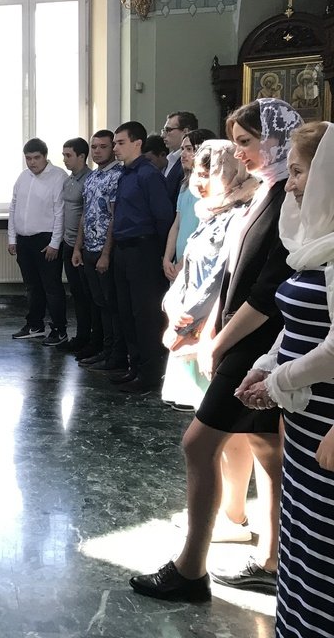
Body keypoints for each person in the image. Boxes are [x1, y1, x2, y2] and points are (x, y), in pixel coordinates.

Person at [130, 98, 302, 602]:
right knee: (267, 447)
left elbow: (266, 291)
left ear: (274, 140)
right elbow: (234, 272)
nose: (239, 151)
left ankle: (191, 570)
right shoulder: (269, 190)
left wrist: (218, 341)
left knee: (199, 444)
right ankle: (272, 559)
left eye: (246, 142)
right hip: (244, 338)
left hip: (256, 344)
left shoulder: (284, 198)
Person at [235, 121, 334, 638]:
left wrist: (277, 383)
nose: (290, 184)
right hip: (303, 414)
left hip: (326, 422)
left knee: (322, 548)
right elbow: (299, 321)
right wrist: (267, 363)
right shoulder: (312, 238)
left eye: (298, 172)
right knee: (298, 535)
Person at [160, 140, 258, 411]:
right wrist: (173, 307)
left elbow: (219, 278)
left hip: (208, 323)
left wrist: (186, 323)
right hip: (187, 318)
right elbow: (188, 267)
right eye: (197, 174)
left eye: (207, 175)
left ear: (229, 173)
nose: (199, 183)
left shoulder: (238, 216)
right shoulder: (209, 212)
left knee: (210, 411)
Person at [109, 121, 174, 393]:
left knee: (145, 314)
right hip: (123, 249)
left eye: (120, 142)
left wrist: (160, 255)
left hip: (144, 249)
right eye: (115, 143)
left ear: (138, 143)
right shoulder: (124, 174)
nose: (115, 147)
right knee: (126, 311)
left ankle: (150, 374)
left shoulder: (148, 175)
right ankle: (134, 367)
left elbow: (163, 217)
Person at [7, 137, 69, 346]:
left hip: (46, 240)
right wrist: (12, 238)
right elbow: (13, 208)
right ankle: (35, 325)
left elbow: (60, 213)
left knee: (52, 287)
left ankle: (59, 330)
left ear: (45, 156)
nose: (32, 162)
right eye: (28, 158)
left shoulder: (58, 177)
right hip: (24, 240)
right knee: (32, 286)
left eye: (36, 158)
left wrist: (55, 243)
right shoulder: (23, 177)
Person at [73, 130, 126, 371]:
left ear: (112, 148)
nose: (97, 151)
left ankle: (115, 354)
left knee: (111, 305)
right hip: (89, 248)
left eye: (103, 146)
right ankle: (103, 349)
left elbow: (114, 217)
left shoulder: (117, 176)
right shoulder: (92, 177)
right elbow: (85, 214)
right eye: (94, 147)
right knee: (98, 303)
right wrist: (78, 247)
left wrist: (106, 254)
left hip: (107, 251)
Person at [163, 128, 217, 282]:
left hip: (197, 262)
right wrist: (167, 258)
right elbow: (177, 225)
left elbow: (205, 229)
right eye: (182, 149)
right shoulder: (185, 185)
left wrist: (183, 262)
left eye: (189, 149)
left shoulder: (211, 186)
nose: (183, 154)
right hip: (178, 262)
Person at [59, 138, 93, 354]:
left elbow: (86, 215)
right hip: (68, 243)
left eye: (68, 155)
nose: (64, 159)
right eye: (63, 155)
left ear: (81, 156)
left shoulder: (89, 180)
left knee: (87, 295)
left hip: (83, 246)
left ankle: (90, 339)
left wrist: (79, 246)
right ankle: (81, 337)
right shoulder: (69, 180)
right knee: (77, 294)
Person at [162, 111, 199, 206]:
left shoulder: (193, 162)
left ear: (186, 131)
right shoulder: (169, 160)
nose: (163, 135)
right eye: (164, 130)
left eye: (168, 130)